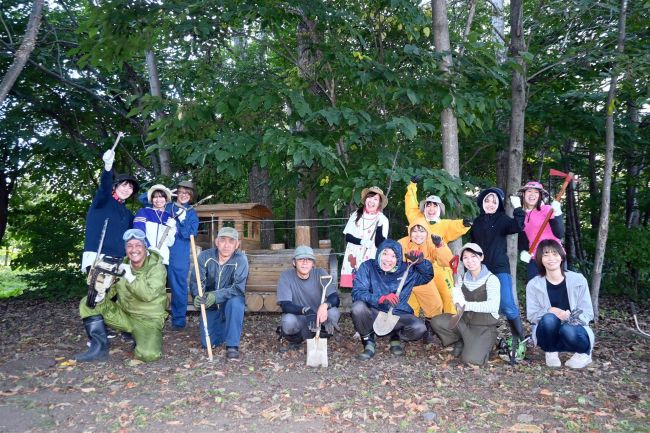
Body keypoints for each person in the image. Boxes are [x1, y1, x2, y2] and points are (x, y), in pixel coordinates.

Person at [74, 229, 168, 362]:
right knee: (89, 301)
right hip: (124, 316)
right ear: (125, 249)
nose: (133, 249)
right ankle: (99, 349)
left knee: (149, 355)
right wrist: (101, 293)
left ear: (145, 247)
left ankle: (141, 338)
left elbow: (148, 295)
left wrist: (130, 276)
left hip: (148, 320)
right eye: (129, 246)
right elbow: (110, 289)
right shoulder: (120, 265)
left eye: (138, 245)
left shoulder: (157, 267)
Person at [351, 239, 433, 360]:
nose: (388, 259)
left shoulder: (407, 270)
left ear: (399, 258)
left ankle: (396, 336)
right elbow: (357, 292)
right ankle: (368, 341)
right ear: (379, 253)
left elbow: (427, 276)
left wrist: (421, 263)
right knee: (358, 308)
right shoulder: (368, 267)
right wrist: (380, 298)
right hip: (374, 310)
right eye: (385, 254)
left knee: (419, 328)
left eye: (393, 256)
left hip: (398, 313)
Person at [405, 176, 472, 313]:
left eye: (434, 206)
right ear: (424, 208)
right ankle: (411, 325)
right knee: (412, 297)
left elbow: (455, 225)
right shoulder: (417, 219)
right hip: (416, 265)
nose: (431, 209)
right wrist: (412, 185)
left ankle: (449, 324)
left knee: (447, 295)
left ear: (439, 209)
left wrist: (464, 224)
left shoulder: (445, 224)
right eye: (428, 205)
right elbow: (410, 204)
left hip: (438, 267)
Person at [469, 187, 526, 345]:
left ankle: (519, 339)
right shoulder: (477, 222)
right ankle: (481, 340)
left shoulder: (502, 219)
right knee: (481, 306)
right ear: (482, 203)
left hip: (500, 268)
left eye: (494, 201)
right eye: (487, 200)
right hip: (480, 271)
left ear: (499, 204)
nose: (490, 204)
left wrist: (518, 209)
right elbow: (472, 246)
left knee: (507, 304)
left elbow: (518, 226)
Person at [526, 239, 594, 369]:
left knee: (567, 329)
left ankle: (583, 354)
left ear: (561, 256)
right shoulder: (534, 284)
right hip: (549, 333)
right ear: (539, 259)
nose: (551, 258)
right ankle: (551, 352)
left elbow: (588, 312)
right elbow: (532, 315)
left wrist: (570, 318)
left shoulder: (578, 280)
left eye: (555, 254)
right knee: (549, 319)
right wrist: (551, 310)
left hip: (573, 330)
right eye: (546, 255)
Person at [429, 243, 500, 366]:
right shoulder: (461, 278)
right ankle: (462, 341)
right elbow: (459, 305)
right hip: (464, 322)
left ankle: (484, 344)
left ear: (481, 257)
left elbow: (492, 306)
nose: (469, 261)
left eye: (473, 256)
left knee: (471, 360)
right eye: (465, 257)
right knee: (437, 321)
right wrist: (455, 296)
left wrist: (466, 305)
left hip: (484, 327)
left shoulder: (491, 279)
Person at [190, 227, 249, 360]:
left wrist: (215, 296)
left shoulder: (241, 260)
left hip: (230, 300)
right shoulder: (205, 256)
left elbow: (238, 288)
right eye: (222, 240)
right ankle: (224, 325)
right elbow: (196, 281)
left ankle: (232, 345)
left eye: (231, 241)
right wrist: (198, 297)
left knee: (236, 302)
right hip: (210, 304)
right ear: (216, 242)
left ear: (237, 245)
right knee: (208, 344)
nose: (226, 245)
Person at [81, 148, 139, 273]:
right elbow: (104, 186)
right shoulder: (103, 200)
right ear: (115, 186)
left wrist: (160, 202)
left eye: (130, 188)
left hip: (119, 258)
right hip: (98, 256)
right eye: (124, 185)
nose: (127, 190)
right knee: (98, 292)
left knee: (118, 292)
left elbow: (139, 227)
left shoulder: (127, 213)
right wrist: (108, 167)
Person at [397, 217, 452, 343]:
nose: (418, 234)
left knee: (435, 304)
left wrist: (440, 246)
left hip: (424, 280)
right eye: (415, 231)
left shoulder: (431, 243)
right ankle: (407, 331)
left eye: (422, 231)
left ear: (427, 232)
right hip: (406, 281)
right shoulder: (402, 243)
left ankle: (430, 330)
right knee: (408, 306)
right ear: (410, 232)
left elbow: (446, 261)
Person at [276, 245, 341, 351]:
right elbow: (285, 305)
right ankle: (296, 341)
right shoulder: (286, 276)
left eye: (309, 260)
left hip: (319, 318)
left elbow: (335, 298)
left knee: (333, 312)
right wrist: (305, 310)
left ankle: (321, 337)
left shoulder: (321, 273)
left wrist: (325, 305)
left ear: (313, 264)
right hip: (299, 319)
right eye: (301, 259)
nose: (305, 263)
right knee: (288, 321)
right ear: (294, 262)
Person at [165, 181, 200, 330]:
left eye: (188, 193)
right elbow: (143, 199)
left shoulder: (191, 212)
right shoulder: (167, 205)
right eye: (181, 192)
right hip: (158, 251)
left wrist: (181, 219)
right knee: (153, 284)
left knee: (178, 287)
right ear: (176, 193)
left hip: (179, 253)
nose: (184, 195)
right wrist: (165, 191)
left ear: (191, 196)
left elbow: (188, 234)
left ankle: (178, 322)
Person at [340, 186, 389, 288]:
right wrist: (361, 241)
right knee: (355, 286)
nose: (371, 201)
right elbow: (348, 237)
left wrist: (379, 227)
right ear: (365, 199)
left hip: (371, 255)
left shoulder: (383, 219)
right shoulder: (356, 215)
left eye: (375, 199)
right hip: (354, 254)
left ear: (379, 203)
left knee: (369, 285)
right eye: (370, 197)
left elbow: (380, 244)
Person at [517, 181, 565, 282]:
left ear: (540, 196)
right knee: (534, 291)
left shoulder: (547, 209)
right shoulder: (521, 215)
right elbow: (522, 238)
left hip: (554, 257)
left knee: (558, 292)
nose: (532, 195)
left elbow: (559, 233)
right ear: (523, 194)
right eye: (529, 191)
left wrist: (558, 214)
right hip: (535, 259)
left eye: (536, 192)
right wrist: (523, 251)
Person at [133, 184, 176, 266]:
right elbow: (137, 232)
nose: (158, 200)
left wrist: (171, 229)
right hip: (145, 256)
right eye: (155, 197)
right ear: (151, 199)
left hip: (162, 259)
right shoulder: (144, 212)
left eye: (162, 196)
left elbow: (170, 243)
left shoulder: (169, 217)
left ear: (166, 199)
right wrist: (148, 247)